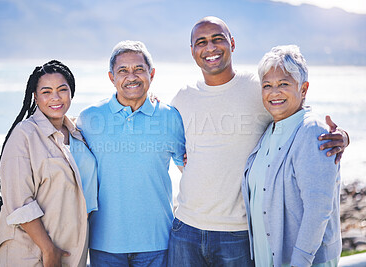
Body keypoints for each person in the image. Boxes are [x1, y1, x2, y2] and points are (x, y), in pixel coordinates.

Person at [168, 16, 348, 266]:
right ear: (192, 50)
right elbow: (173, 146)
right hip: (185, 227)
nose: (210, 48)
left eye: (218, 39)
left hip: (239, 232)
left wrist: (342, 137)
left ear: (232, 43)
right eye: (201, 42)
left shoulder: (258, 88)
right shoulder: (182, 97)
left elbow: (300, 115)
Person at [77, 40, 186, 267]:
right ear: (111, 77)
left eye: (139, 69)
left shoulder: (171, 117)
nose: (131, 76)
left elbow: (189, 168)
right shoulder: (88, 118)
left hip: (157, 241)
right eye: (123, 71)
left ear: (151, 74)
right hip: (103, 242)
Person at [0, 60, 98, 267]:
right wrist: (48, 249)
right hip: (33, 252)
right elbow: (20, 202)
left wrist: (146, 98)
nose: (55, 97)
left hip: (73, 249)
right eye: (46, 91)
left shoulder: (78, 134)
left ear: (72, 93)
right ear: (35, 96)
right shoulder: (24, 135)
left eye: (62, 89)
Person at [241, 45, 341, 267]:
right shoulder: (270, 131)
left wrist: (300, 262)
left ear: (303, 89)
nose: (274, 92)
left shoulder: (312, 130)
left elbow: (318, 208)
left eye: (283, 84)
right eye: (267, 85)